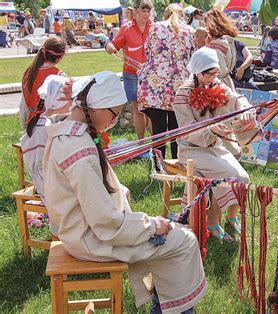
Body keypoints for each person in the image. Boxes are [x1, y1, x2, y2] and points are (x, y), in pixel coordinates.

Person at [42, 71, 206, 313]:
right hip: (93, 238)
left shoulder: (67, 132)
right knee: (185, 241)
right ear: (96, 107)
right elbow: (104, 220)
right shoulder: (79, 148)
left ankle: (163, 303)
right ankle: (170, 309)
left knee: (176, 236)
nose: (114, 121)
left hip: (80, 231)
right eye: (114, 114)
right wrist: (151, 226)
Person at [173, 47, 252, 241]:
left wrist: (244, 108)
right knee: (228, 176)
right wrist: (212, 129)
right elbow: (186, 128)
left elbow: (235, 98)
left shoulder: (217, 85)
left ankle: (229, 218)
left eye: (215, 73)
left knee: (243, 177)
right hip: (190, 150)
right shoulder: (183, 94)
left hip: (215, 147)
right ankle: (212, 221)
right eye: (208, 74)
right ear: (196, 72)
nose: (212, 78)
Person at [20, 75, 78, 238]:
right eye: (69, 98)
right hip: (50, 184)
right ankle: (63, 243)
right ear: (58, 99)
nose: (73, 101)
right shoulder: (43, 129)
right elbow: (43, 172)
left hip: (59, 178)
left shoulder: (55, 120)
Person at [137, 3, 194, 160]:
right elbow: (192, 57)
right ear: (182, 15)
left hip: (156, 86)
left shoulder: (155, 27)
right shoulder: (190, 31)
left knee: (158, 131)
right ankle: (178, 165)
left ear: (166, 14)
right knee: (178, 131)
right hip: (180, 87)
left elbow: (148, 51)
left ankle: (159, 167)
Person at [106, 0, 152, 141]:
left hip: (152, 74)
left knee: (152, 109)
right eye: (144, 10)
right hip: (132, 74)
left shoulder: (155, 27)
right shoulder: (126, 28)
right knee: (137, 109)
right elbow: (113, 44)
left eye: (149, 11)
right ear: (136, 11)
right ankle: (141, 142)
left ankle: (156, 142)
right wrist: (109, 47)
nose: (147, 14)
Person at [20, 37, 66, 130]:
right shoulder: (59, 76)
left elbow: (24, 105)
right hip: (50, 126)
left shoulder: (28, 72)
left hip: (30, 123)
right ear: (60, 57)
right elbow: (64, 107)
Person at [204, 8, 239, 91]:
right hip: (227, 82)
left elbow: (218, 71)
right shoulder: (228, 41)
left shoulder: (217, 44)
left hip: (219, 87)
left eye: (206, 25)